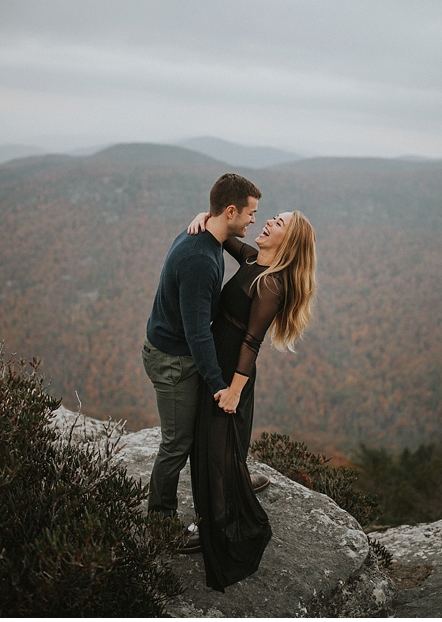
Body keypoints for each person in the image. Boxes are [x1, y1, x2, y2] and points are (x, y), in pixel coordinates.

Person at [186, 208, 317, 591]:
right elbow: (225, 236)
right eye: (272, 216)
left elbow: (252, 342)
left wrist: (234, 392)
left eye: (279, 223)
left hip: (232, 370)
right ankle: (236, 480)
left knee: (215, 444)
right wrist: (204, 217)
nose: (269, 222)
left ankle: (212, 521)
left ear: (288, 241)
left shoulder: (272, 284)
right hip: (217, 358)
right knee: (218, 442)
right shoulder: (251, 258)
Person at [142, 173, 262, 537]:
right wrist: (218, 385)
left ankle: (231, 483)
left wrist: (203, 215)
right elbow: (196, 333)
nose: (254, 220)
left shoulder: (208, 236)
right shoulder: (199, 258)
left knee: (205, 429)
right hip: (172, 360)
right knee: (178, 443)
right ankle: (159, 523)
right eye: (250, 213)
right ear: (230, 211)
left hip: (179, 353)